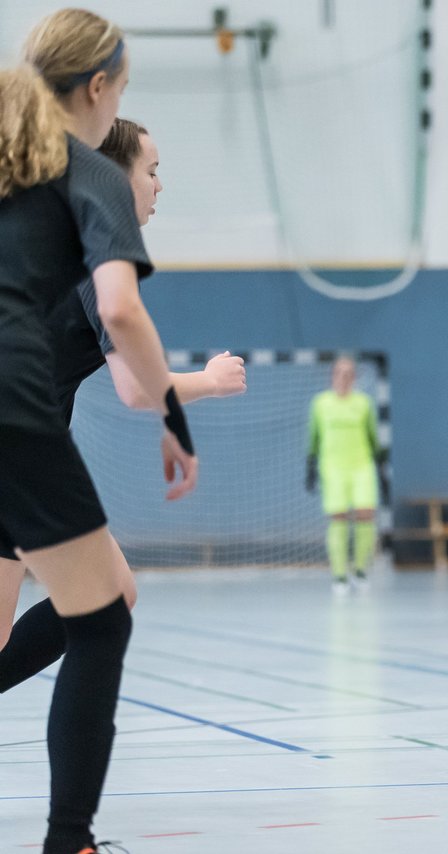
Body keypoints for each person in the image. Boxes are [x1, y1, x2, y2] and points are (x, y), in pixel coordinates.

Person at [0, 10, 199, 853]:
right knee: (103, 619)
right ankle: (67, 841)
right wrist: (175, 413)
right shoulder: (91, 174)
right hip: (13, 410)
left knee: (99, 598)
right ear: (99, 88)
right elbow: (120, 310)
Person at [0, 117, 245, 696]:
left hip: (32, 452)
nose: (160, 185)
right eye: (151, 171)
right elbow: (136, 388)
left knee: (112, 595)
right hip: (15, 451)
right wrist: (209, 381)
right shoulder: (93, 254)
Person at [306, 355, 388, 594]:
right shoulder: (320, 403)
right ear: (332, 375)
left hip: (361, 465)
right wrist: (310, 467)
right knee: (338, 518)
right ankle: (339, 575)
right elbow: (313, 437)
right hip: (333, 467)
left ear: (354, 377)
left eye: (349, 373)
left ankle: (361, 569)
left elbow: (373, 438)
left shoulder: (363, 403)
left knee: (365, 514)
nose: (344, 377)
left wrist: (381, 470)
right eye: (339, 372)